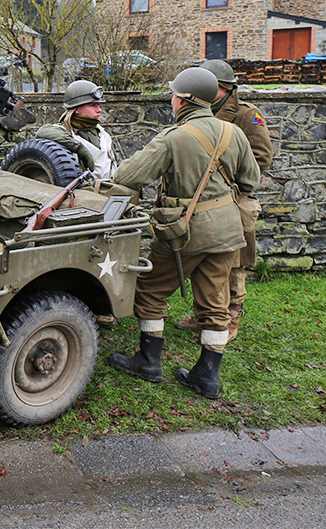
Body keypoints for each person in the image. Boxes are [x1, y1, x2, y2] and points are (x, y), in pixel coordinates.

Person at [107, 67, 260, 399]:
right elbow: (250, 181)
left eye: (174, 95)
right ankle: (207, 377)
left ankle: (148, 361)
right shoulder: (234, 133)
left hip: (184, 233)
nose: (172, 99)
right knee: (215, 302)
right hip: (227, 231)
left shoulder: (173, 137)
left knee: (148, 290)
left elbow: (128, 175)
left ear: (184, 101)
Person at [175, 59, 274, 342]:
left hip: (234, 199)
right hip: (202, 201)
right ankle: (204, 313)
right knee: (201, 260)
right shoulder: (198, 113)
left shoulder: (246, 115)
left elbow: (261, 157)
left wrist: (224, 179)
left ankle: (231, 317)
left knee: (232, 262)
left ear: (224, 88)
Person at [35, 79, 117, 180]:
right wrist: (78, 148)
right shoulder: (65, 132)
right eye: (92, 105)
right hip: (82, 192)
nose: (99, 110)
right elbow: (42, 132)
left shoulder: (102, 134)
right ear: (77, 109)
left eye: (98, 105)